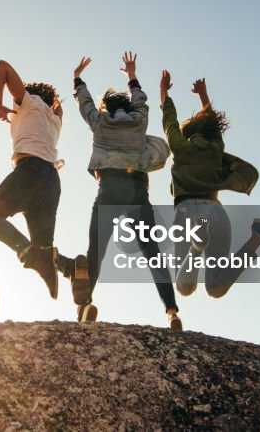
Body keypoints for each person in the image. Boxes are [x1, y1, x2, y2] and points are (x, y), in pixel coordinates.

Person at [60, 52, 180, 328]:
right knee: (152, 252)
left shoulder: (100, 122)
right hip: (137, 190)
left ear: (107, 107)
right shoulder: (139, 120)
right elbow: (141, 100)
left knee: (96, 251)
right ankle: (172, 311)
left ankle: (86, 306)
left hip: (109, 188)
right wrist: (131, 75)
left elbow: (85, 104)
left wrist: (77, 79)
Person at [160, 72, 260, 299]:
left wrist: (164, 91)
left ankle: (197, 245)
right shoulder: (215, 147)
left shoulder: (180, 147)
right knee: (215, 288)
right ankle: (258, 237)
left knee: (184, 288)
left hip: (188, 212)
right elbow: (213, 123)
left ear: (188, 134)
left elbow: (169, 118)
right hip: (217, 213)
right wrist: (203, 95)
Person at [0, 60, 64, 299]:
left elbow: (2, 66)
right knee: (43, 251)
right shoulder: (56, 118)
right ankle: (74, 269)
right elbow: (59, 107)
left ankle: (35, 257)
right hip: (51, 182)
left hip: (30, 171)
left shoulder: (28, 101)